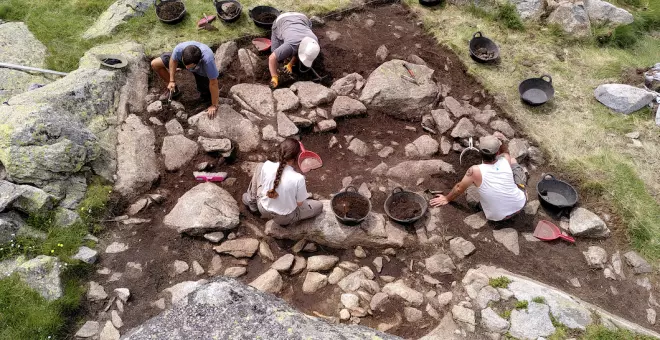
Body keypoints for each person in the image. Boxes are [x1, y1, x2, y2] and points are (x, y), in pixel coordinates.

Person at [430, 132, 527, 221]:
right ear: (497, 153)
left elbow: (459, 188)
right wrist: (500, 141)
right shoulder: (505, 159)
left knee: (470, 191)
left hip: (499, 217)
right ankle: (523, 189)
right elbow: (505, 151)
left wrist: (446, 199)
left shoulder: (474, 171)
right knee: (513, 161)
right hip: (520, 205)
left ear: (480, 152)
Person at [242, 138, 323, 226]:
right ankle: (285, 223)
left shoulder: (267, 166)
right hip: (283, 217)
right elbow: (299, 203)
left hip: (263, 208)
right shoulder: (299, 179)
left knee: (259, 167)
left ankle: (252, 202)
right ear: (295, 159)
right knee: (319, 206)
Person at [151, 41, 220, 118]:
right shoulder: (179, 49)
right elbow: (173, 60)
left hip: (200, 69)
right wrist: (171, 81)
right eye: (185, 65)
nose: (186, 69)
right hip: (186, 60)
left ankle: (205, 99)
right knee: (155, 64)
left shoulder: (208, 61)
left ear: (197, 63)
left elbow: (213, 83)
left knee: (206, 93)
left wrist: (214, 105)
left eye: (189, 67)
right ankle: (174, 91)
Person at [268, 12, 320, 89]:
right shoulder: (291, 45)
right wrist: (274, 77)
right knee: (275, 50)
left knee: (290, 49)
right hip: (281, 20)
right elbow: (272, 58)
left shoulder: (314, 41)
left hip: (302, 18)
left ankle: (287, 60)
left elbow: (300, 51)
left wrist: (290, 64)